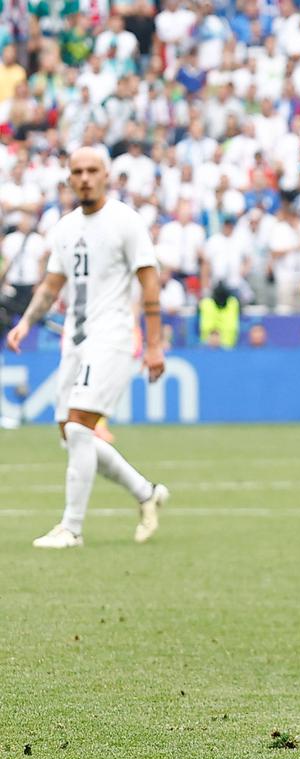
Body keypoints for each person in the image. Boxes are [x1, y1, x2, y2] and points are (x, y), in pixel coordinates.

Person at [4, 147, 171, 548]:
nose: (84, 177)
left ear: (106, 175)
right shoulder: (64, 228)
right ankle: (147, 493)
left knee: (80, 427)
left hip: (111, 335)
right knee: (71, 434)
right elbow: (51, 285)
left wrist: (153, 345)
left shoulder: (125, 222)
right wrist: (25, 322)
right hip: (74, 339)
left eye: (91, 170)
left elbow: (150, 283)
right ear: (68, 178)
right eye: (77, 171)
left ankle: (71, 528)